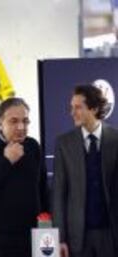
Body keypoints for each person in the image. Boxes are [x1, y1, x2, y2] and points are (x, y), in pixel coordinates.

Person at [0, 97, 48, 257]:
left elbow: (43, 190)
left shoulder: (33, 146)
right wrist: (6, 161)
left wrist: (47, 232)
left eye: (25, 121)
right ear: (0, 122)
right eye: (14, 121)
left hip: (31, 240)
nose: (21, 127)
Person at [53, 85, 118, 257]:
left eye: (78, 107)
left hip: (111, 236)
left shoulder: (116, 140)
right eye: (71, 107)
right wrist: (60, 238)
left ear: (94, 108)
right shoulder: (63, 144)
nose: (72, 112)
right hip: (77, 238)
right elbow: (58, 194)